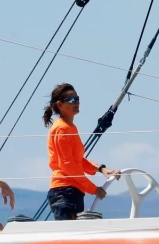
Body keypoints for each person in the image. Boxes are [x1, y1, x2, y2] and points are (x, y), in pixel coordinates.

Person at [42, 83, 120, 220]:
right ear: (60, 104)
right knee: (69, 233)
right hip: (65, 192)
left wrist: (101, 169)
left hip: (72, 192)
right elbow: (68, 166)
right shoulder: (61, 129)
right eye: (72, 100)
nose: (77, 103)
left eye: (77, 99)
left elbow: (77, 160)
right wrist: (94, 189)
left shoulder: (70, 127)